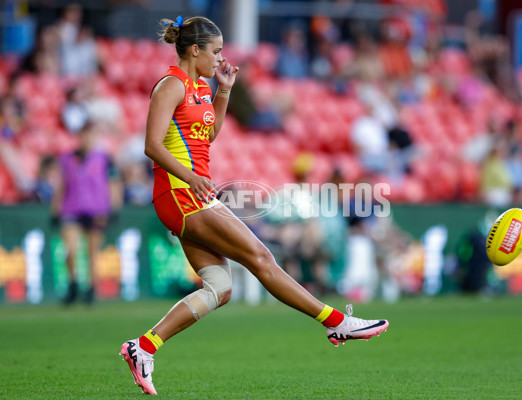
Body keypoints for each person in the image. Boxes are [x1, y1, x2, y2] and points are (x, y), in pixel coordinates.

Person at [119, 16, 389, 396]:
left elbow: (206, 136)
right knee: (260, 256)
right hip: (182, 193)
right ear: (194, 50)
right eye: (215, 52)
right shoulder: (171, 85)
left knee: (220, 287)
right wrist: (192, 176)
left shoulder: (199, 87)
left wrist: (224, 91)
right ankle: (333, 320)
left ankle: (143, 347)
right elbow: (152, 145)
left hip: (189, 194)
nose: (220, 59)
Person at [51, 122, 122, 305]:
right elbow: (61, 186)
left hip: (96, 210)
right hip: (71, 209)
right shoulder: (67, 159)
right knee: (71, 250)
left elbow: (113, 184)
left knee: (92, 252)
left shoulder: (104, 158)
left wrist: (113, 207)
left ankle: (90, 288)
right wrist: (55, 209)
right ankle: (73, 282)